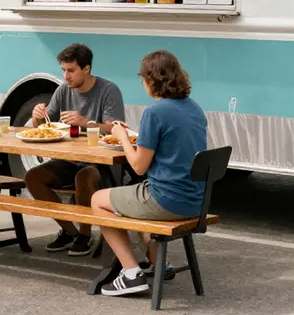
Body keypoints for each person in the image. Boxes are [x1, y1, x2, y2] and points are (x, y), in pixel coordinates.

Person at [92, 50, 207, 297]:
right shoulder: (194, 108)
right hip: (195, 202)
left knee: (98, 200)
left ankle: (131, 273)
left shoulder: (155, 113)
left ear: (152, 80)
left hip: (166, 200)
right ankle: (157, 262)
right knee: (131, 198)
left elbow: (138, 167)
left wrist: (122, 137)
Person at [25, 43, 126, 256]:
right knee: (33, 177)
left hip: (103, 163)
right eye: (63, 70)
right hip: (71, 159)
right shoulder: (63, 90)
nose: (66, 76)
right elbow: (44, 125)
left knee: (84, 176)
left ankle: (86, 235)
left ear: (86, 69)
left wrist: (85, 122)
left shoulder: (108, 90)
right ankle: (70, 231)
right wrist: (36, 115)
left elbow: (116, 129)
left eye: (71, 70)